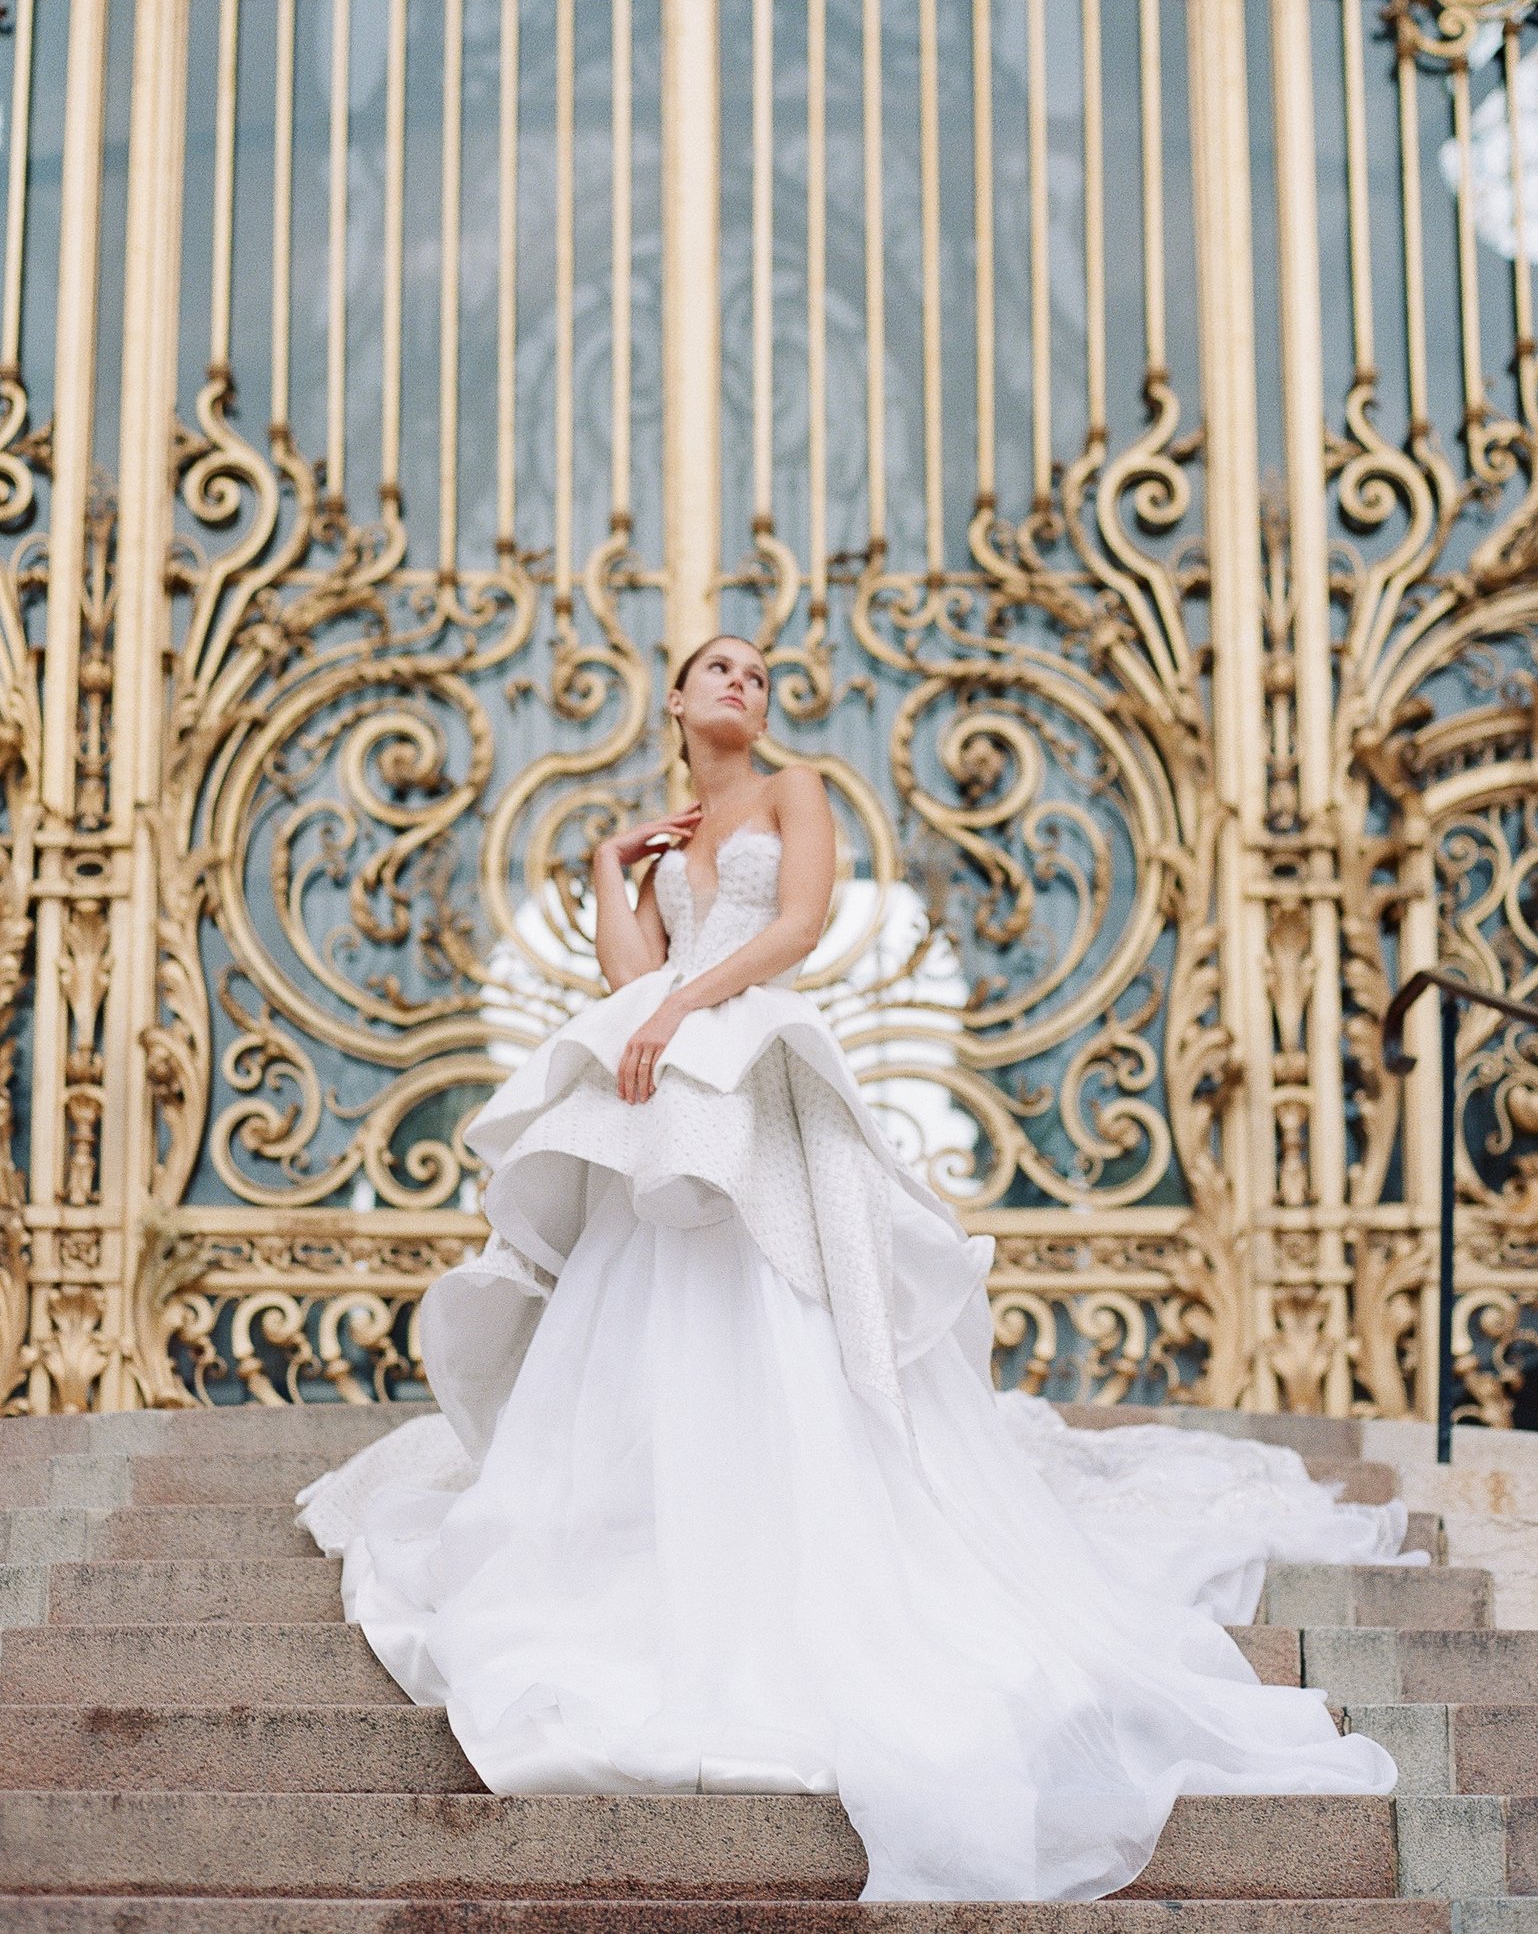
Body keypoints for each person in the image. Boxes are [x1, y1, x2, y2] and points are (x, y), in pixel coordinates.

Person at [297, 632, 1415, 1903]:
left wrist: (679, 1004)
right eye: (718, 671)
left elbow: (800, 926)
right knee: (651, 1313)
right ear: (672, 701)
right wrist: (611, 873)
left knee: (780, 1304)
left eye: (759, 675)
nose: (743, 685)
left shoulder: (795, 792)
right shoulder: (656, 837)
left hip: (757, 1078)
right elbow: (625, 983)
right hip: (678, 1093)